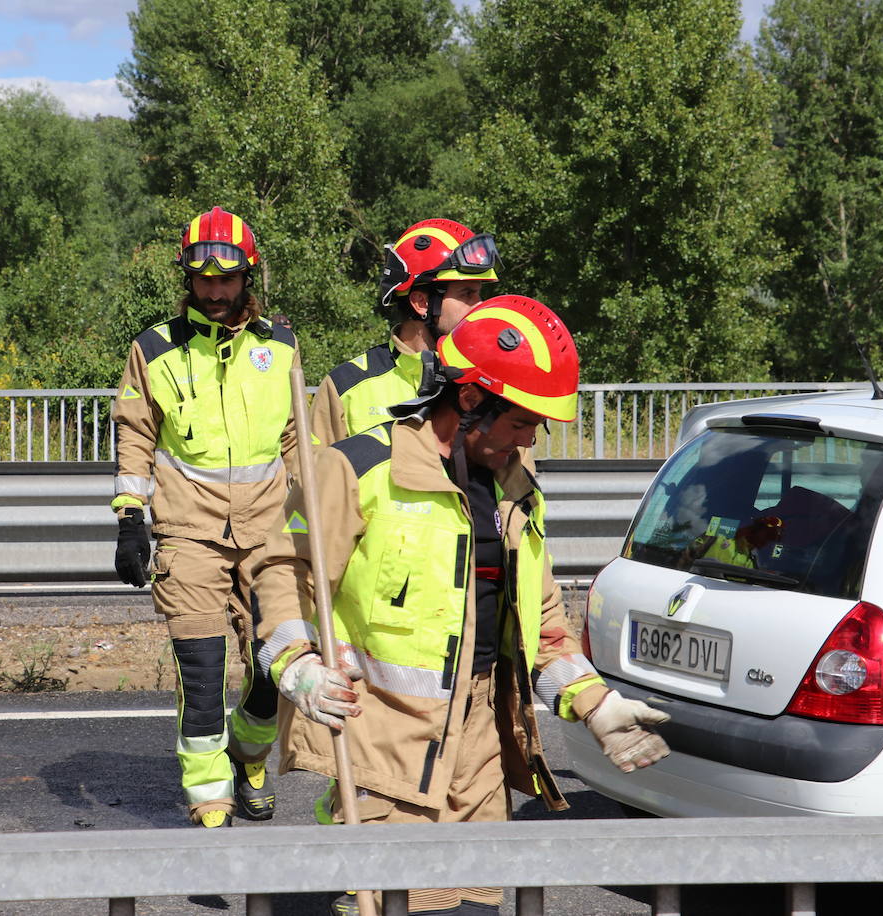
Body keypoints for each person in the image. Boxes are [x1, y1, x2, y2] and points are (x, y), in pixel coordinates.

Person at [255, 296, 671, 916]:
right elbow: (282, 568)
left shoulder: (516, 491)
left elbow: (543, 622)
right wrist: (296, 663)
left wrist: (597, 706)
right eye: (521, 422)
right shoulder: (358, 469)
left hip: (479, 746)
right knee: (413, 906)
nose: (530, 439)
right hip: (383, 742)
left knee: (476, 907)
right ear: (470, 400)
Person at [111, 206, 298, 828]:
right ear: (186, 278)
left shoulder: (281, 344)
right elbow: (136, 434)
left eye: (227, 279)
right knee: (201, 662)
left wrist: (319, 517)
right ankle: (209, 794)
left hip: (270, 529)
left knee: (276, 663)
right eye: (202, 279)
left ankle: (249, 754)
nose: (215, 291)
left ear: (248, 277)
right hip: (188, 527)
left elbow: (299, 439)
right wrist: (130, 516)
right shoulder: (153, 349)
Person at [308, 219, 500, 447]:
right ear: (421, 303)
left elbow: (517, 478)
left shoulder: (491, 382)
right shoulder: (345, 387)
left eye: (479, 294)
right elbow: (317, 477)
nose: (480, 305)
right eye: (467, 294)